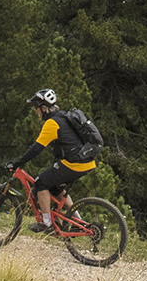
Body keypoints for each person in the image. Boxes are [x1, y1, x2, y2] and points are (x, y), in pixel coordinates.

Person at [13, 88, 95, 233]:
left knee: (40, 182)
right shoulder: (64, 116)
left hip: (74, 164)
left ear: (44, 108)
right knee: (56, 189)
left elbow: (37, 148)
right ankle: (78, 221)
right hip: (86, 161)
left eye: (36, 108)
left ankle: (47, 224)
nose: (35, 111)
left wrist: (19, 162)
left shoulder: (52, 123)